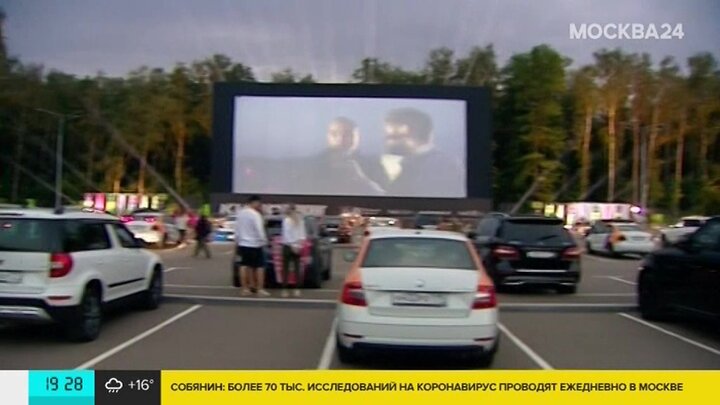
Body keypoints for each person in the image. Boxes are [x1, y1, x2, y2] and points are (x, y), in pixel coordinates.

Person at [361, 108, 465, 198]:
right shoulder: (414, 164)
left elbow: (407, 203)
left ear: (412, 133)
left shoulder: (439, 166)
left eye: (392, 137)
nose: (386, 141)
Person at [306, 117, 385, 196]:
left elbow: (384, 195)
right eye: (334, 134)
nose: (340, 139)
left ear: (357, 137)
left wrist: (361, 179)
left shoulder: (373, 164)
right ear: (327, 136)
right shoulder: (312, 165)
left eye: (347, 134)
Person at [235, 195, 270, 297]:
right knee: (260, 267)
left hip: (243, 243)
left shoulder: (240, 214)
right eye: (259, 203)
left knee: (244, 266)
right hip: (255, 244)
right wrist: (264, 241)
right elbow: (259, 229)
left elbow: (237, 229)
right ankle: (260, 289)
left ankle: (245, 289)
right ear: (255, 202)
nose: (259, 205)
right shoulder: (255, 214)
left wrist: (237, 241)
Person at [281, 204, 306, 298]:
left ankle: (285, 290)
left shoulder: (286, 220)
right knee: (297, 268)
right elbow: (303, 235)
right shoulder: (300, 220)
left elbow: (286, 235)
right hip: (296, 246)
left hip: (288, 246)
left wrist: (293, 245)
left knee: (286, 268)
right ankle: (296, 289)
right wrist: (299, 245)